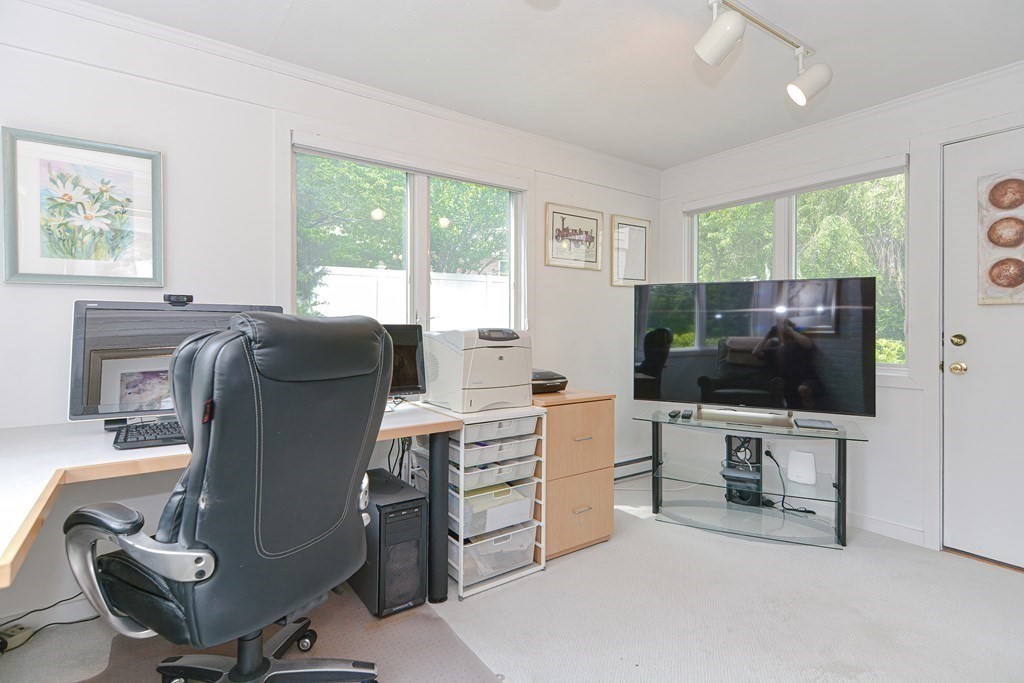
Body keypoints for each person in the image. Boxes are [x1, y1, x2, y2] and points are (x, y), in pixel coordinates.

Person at [753, 319, 819, 409]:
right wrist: (767, 336)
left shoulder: (799, 344)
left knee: (803, 389)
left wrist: (791, 331)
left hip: (806, 380)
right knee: (791, 405)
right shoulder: (775, 349)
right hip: (788, 385)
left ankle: (811, 413)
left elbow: (809, 345)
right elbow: (756, 352)